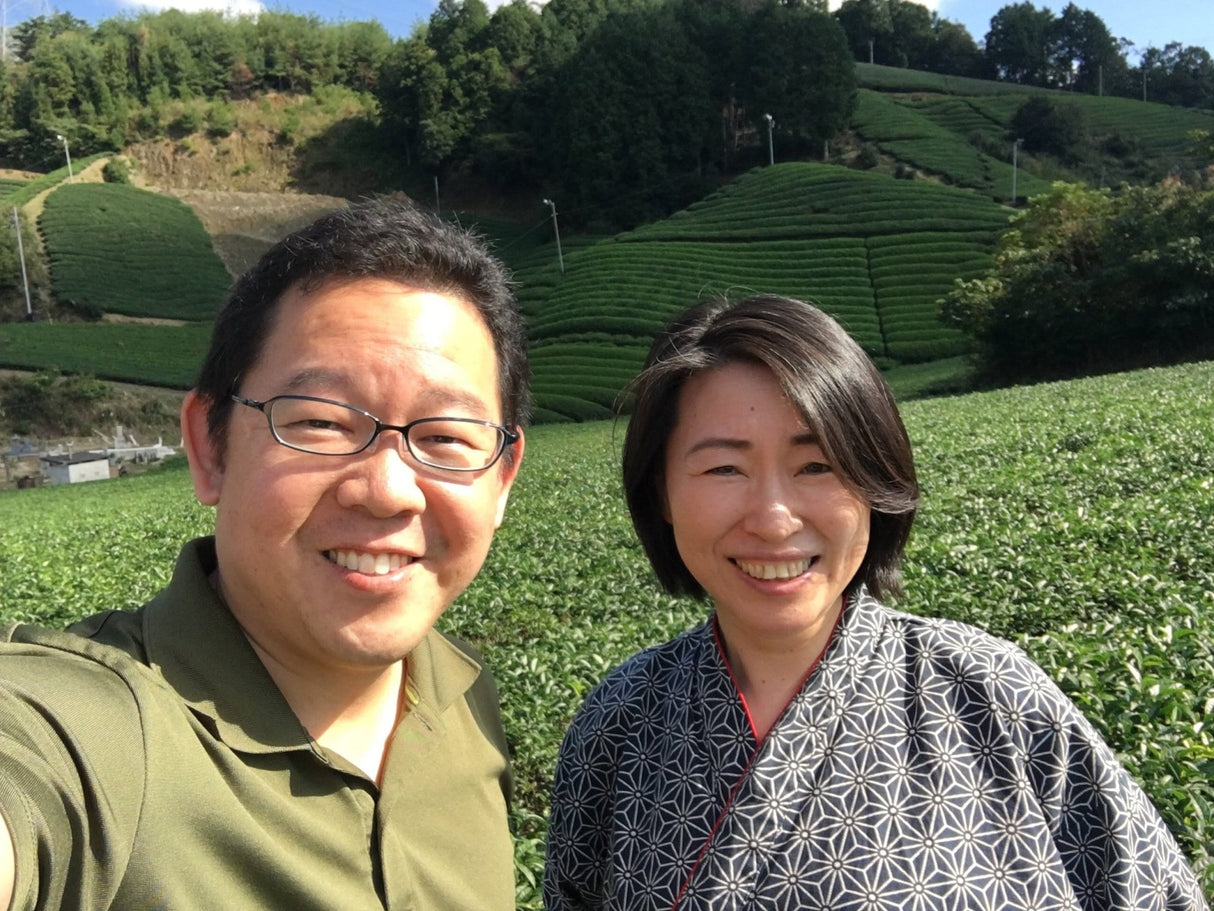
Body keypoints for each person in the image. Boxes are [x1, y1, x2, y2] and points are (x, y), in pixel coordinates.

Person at [543, 295, 1206, 910]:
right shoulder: (617, 723)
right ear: (660, 491)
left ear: (872, 479)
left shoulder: (993, 695)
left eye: (818, 464)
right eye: (723, 468)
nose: (774, 519)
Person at [0, 197, 529, 910]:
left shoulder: (466, 701)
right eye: (319, 422)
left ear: (501, 480)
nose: (387, 489)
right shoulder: (94, 730)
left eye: (446, 437)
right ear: (209, 446)